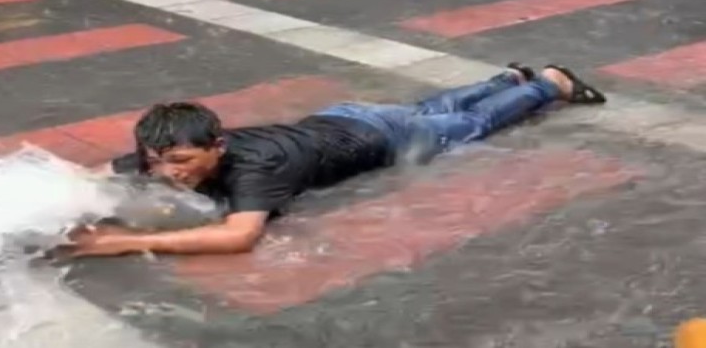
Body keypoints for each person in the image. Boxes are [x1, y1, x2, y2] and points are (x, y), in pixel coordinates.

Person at [66, 63, 606, 257]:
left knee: (470, 125)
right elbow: (97, 173)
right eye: (158, 162)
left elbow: (239, 236)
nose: (168, 172)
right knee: (430, 109)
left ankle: (547, 84)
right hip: (342, 118)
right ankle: (505, 77)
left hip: (384, 139)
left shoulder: (255, 168)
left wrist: (121, 241)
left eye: (181, 161)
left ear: (218, 146)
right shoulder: (170, 147)